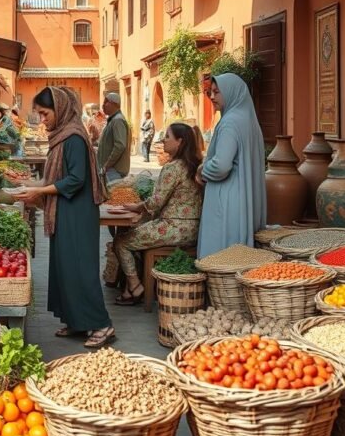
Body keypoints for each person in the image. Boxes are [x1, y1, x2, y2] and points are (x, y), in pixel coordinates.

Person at [14, 86, 113, 348]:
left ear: (60, 109)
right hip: (65, 209)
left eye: (45, 114)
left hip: (77, 212)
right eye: (39, 114)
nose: (43, 119)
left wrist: (39, 190)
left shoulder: (74, 138)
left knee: (81, 269)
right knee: (66, 267)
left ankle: (102, 324)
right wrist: (38, 189)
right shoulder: (61, 136)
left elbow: (76, 179)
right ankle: (77, 321)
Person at [112, 123, 203, 304]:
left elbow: (155, 202)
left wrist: (137, 207)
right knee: (132, 234)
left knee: (121, 242)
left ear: (180, 142)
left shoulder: (173, 168)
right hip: (193, 229)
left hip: (173, 229)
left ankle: (135, 286)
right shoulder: (195, 165)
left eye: (167, 137)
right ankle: (130, 289)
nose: (163, 140)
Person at [196, 73, 267, 257]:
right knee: (237, 256)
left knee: (220, 254)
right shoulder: (250, 121)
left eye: (216, 92)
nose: (212, 97)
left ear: (231, 93)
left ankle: (219, 286)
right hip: (243, 195)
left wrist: (203, 170)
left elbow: (221, 165)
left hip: (227, 199)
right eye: (210, 92)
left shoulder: (229, 123)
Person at [97, 92, 130, 185]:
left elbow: (120, 145)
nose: (103, 105)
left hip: (114, 171)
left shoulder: (117, 121)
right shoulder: (113, 120)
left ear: (114, 104)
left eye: (106, 102)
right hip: (110, 170)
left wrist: (107, 165)